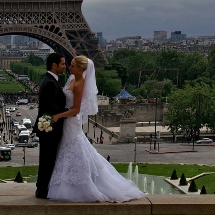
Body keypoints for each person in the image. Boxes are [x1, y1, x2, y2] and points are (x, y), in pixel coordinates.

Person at [47, 56, 144, 202]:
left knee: (73, 151)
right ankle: (71, 184)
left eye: (72, 65)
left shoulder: (80, 84)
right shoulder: (73, 79)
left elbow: (76, 109)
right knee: (71, 152)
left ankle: (78, 185)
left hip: (71, 122)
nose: (69, 67)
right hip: (68, 123)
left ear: (81, 68)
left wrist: (58, 116)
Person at [33, 52, 67, 199]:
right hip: (50, 130)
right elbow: (51, 107)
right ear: (54, 65)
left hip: (48, 128)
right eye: (63, 64)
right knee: (48, 160)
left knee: (47, 160)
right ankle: (42, 190)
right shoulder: (51, 83)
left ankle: (42, 188)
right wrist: (69, 112)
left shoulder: (49, 80)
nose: (65, 67)